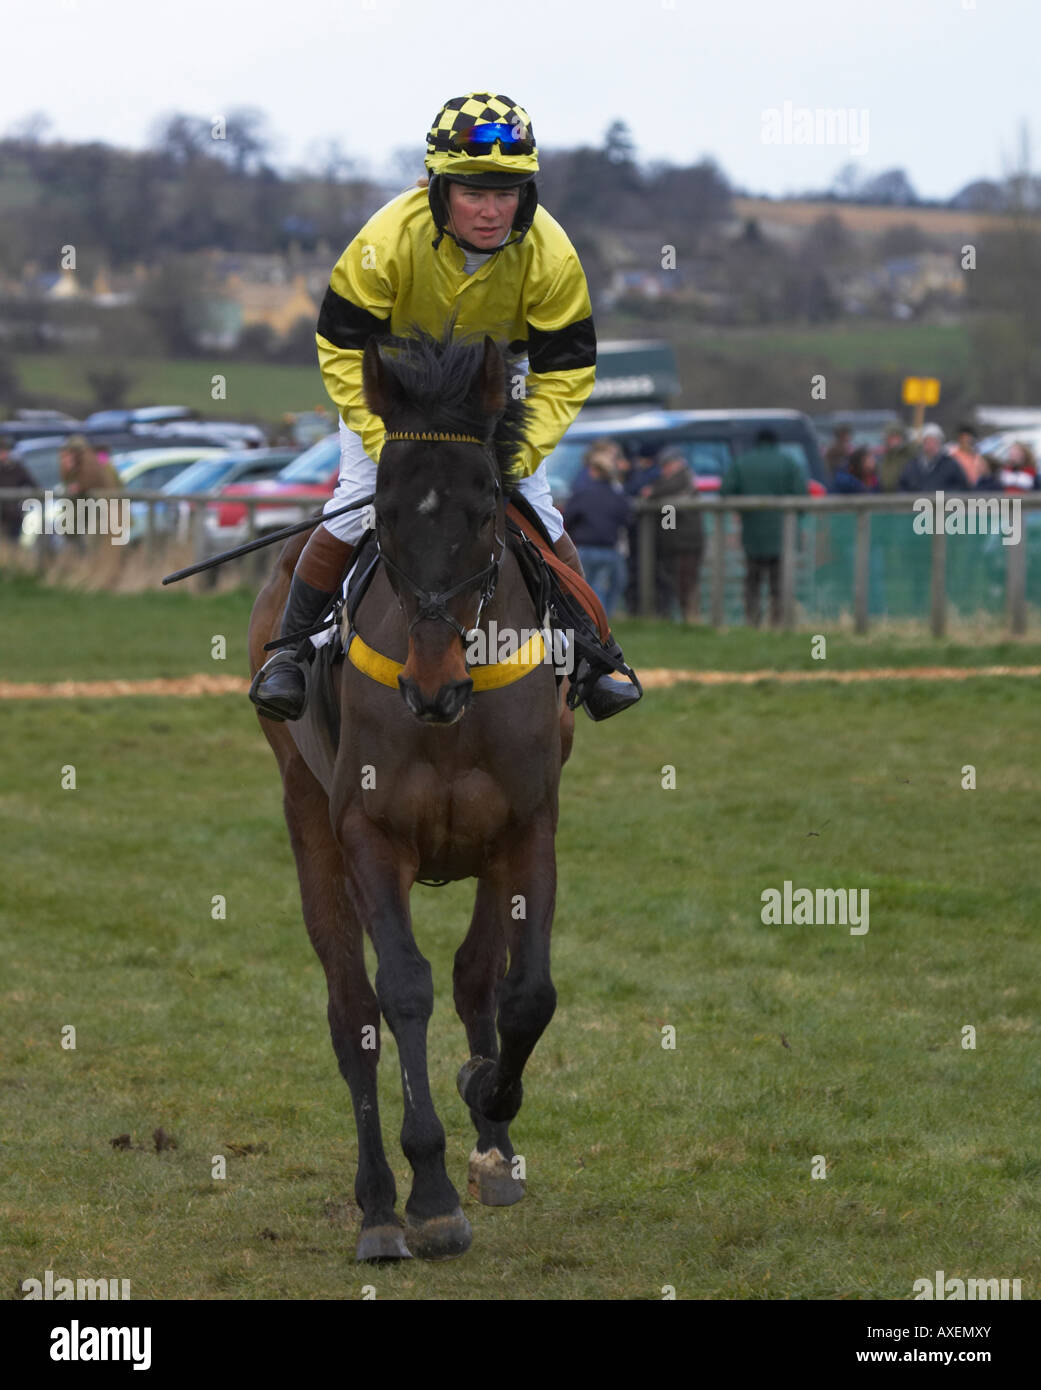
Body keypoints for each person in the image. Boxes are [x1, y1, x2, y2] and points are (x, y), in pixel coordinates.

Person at [250, 92, 639, 723]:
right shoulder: (384, 240)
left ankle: (596, 658)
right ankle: (290, 653)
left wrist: (514, 455)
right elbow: (342, 349)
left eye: (506, 194)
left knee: (539, 511)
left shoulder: (553, 254)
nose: (491, 212)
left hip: (492, 392)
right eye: (473, 193)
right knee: (356, 501)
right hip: (395, 388)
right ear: (438, 189)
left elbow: (565, 373)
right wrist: (392, 447)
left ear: (526, 195)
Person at [720, 427, 807, 628]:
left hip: (753, 536)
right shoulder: (789, 463)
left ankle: (753, 622)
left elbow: (726, 490)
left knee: (753, 581)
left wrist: (742, 510)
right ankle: (778, 622)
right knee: (779, 583)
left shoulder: (743, 462)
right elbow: (801, 496)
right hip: (783, 536)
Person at [562, 447, 632, 618]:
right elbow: (628, 519)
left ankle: (590, 621)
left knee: (587, 588)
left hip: (584, 548)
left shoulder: (583, 493)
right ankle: (601, 621)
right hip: (610, 549)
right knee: (608, 586)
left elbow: (568, 518)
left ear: (593, 470)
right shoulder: (618, 495)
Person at [643, 447, 704, 621]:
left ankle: (690, 617)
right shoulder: (676, 480)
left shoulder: (682, 478)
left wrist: (652, 492)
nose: (664, 470)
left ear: (676, 464)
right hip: (676, 541)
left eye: (667, 465)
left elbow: (662, 489)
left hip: (686, 542)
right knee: (679, 581)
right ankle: (685, 617)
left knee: (685, 582)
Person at [897, 424, 968, 491]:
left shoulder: (951, 465)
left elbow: (961, 487)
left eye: (934, 442)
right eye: (927, 442)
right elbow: (903, 487)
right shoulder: (912, 465)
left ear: (940, 443)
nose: (931, 446)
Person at [0, 436, 36, 541]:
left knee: (12, 544)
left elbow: (34, 486)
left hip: (13, 516)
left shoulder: (16, 468)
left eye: (4, 451)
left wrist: (24, 502)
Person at [878, 423, 914, 492]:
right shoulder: (885, 457)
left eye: (895, 437)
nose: (892, 441)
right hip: (886, 496)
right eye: (889, 438)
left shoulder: (910, 455)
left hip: (904, 495)